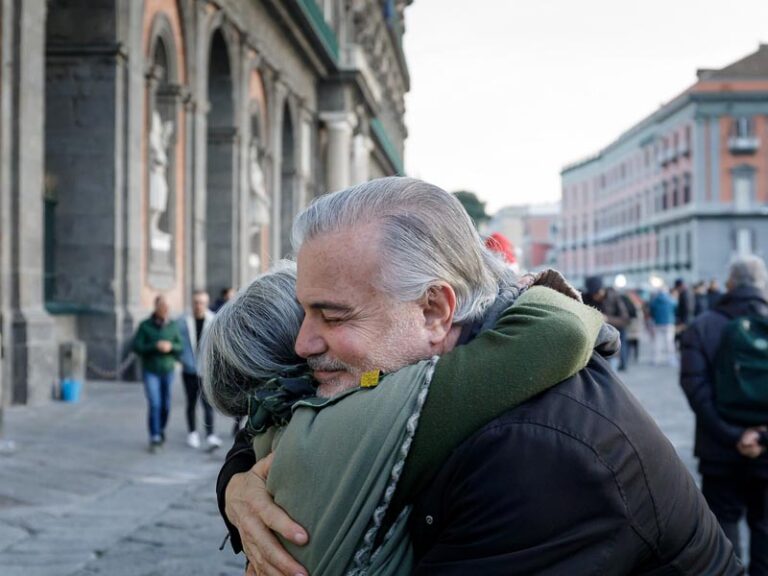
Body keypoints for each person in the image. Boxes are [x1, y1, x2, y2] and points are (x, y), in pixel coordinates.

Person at [219, 177, 741, 575]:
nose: (302, 343)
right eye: (305, 311)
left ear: (433, 311)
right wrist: (238, 487)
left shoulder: (536, 453)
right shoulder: (400, 371)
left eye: (333, 317)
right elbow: (287, 409)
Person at [202, 262, 606, 574]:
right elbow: (560, 330)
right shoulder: (377, 411)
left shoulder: (280, 428)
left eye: (331, 315)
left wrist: (234, 485)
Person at [680, 255, 768, 575]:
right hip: (766, 448)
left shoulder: (703, 326)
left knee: (724, 526)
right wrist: (760, 436)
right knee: (765, 525)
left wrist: (733, 436)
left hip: (719, 450)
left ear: (729, 284)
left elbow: (695, 389)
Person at [132, 295, 183, 452]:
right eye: (162, 307)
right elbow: (137, 346)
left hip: (168, 369)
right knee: (155, 403)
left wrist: (171, 347)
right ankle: (154, 435)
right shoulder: (145, 325)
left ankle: (160, 429)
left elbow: (180, 346)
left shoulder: (173, 326)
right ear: (156, 307)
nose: (165, 310)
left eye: (167, 307)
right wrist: (155, 346)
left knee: (166, 405)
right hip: (151, 370)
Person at [177, 290, 222, 451]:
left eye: (202, 302)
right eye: (196, 302)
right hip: (189, 369)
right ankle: (192, 433)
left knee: (208, 403)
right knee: (191, 402)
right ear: (192, 303)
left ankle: (210, 435)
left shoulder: (214, 320)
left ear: (206, 303)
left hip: (205, 370)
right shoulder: (182, 321)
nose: (198, 305)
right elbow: (177, 342)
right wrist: (181, 358)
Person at [583, 276, 631, 370]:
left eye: (597, 293)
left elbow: (625, 319)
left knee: (619, 352)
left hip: (617, 331)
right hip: (600, 336)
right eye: (592, 294)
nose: (595, 296)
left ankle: (623, 364)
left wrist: (607, 319)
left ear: (602, 289)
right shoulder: (587, 297)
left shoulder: (614, 297)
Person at [650, 287, 678, 367]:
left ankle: (655, 359)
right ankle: (671, 359)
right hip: (669, 323)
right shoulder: (671, 300)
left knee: (657, 342)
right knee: (670, 342)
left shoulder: (655, 301)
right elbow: (676, 309)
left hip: (658, 323)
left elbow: (652, 311)